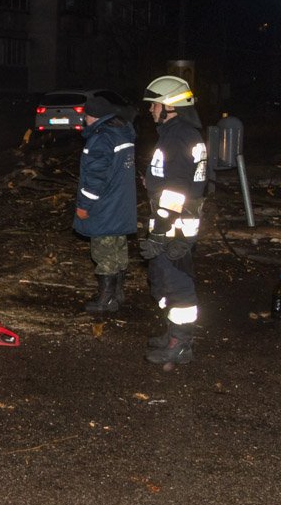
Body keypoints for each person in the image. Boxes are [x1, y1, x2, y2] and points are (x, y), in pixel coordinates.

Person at [140, 75, 207, 365]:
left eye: (154, 105)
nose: (150, 110)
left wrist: (161, 231)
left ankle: (180, 344)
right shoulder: (178, 133)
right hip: (175, 223)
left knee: (176, 284)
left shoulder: (178, 136)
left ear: (170, 106)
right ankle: (173, 334)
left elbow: (176, 190)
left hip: (174, 228)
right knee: (163, 279)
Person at [74, 95, 137, 314]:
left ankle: (105, 300)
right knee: (118, 251)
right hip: (121, 205)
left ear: (91, 116)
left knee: (104, 253)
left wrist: (84, 205)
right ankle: (117, 295)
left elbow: (94, 177)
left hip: (105, 207)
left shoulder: (101, 138)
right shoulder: (122, 132)